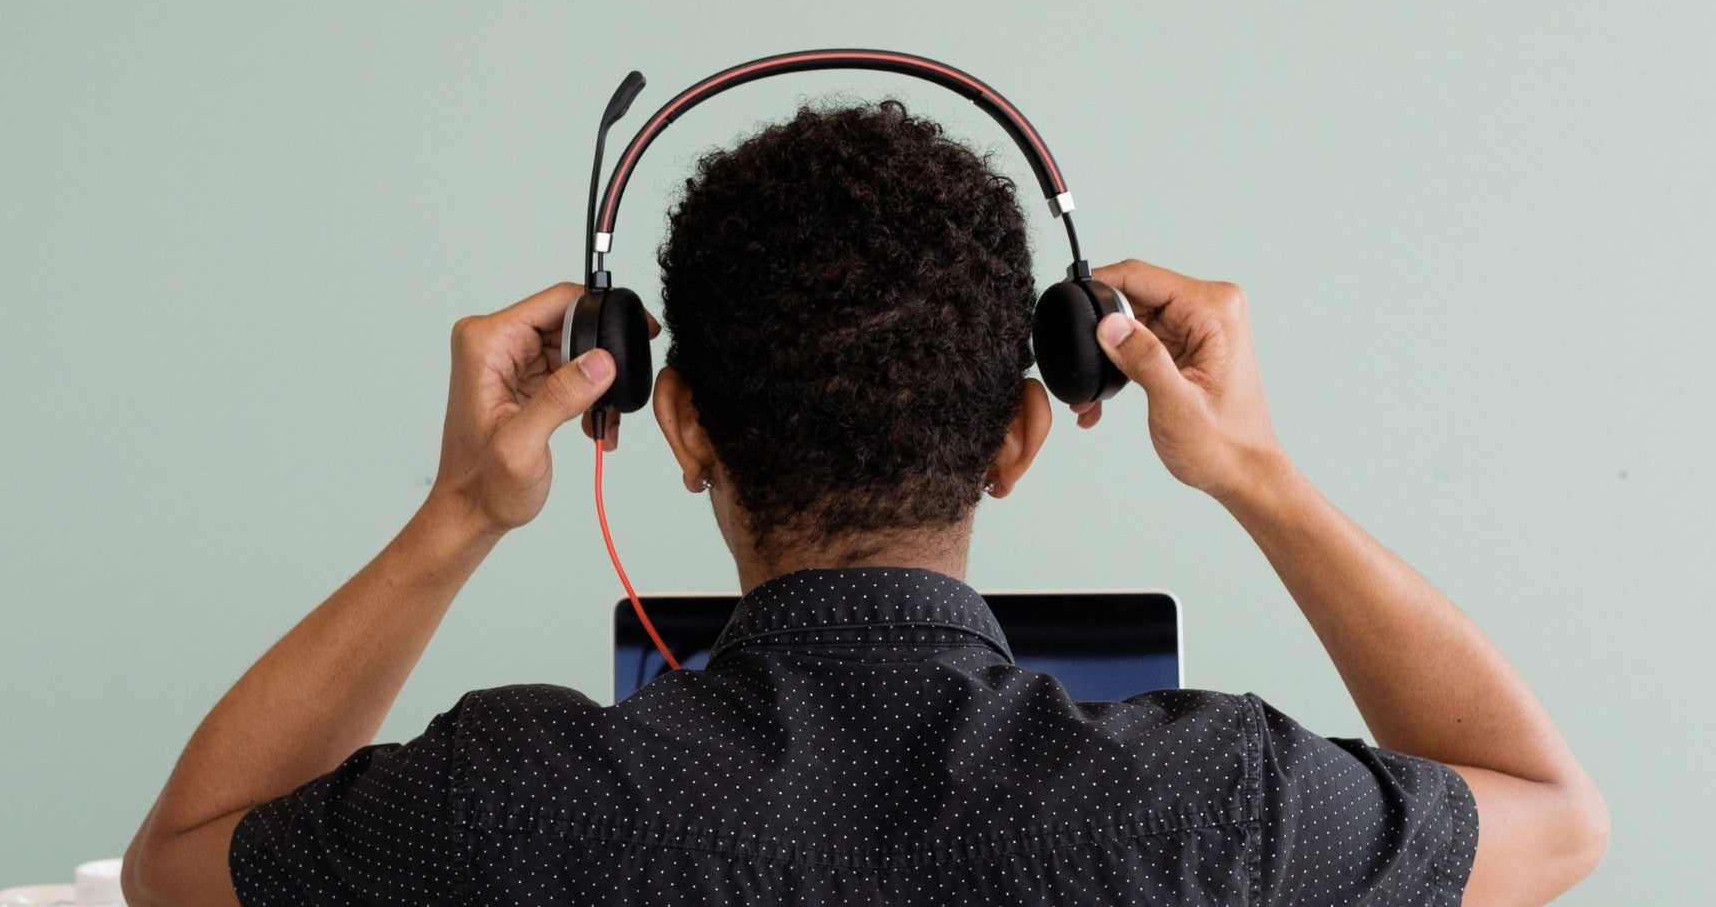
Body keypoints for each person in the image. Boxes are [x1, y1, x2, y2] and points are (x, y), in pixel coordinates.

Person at [121, 102, 1607, 906]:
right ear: (1021, 437)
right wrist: (1257, 476)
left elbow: (179, 856)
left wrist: (461, 511)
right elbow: (1554, 813)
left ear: (678, 422)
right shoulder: (1223, 806)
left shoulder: (514, 803)